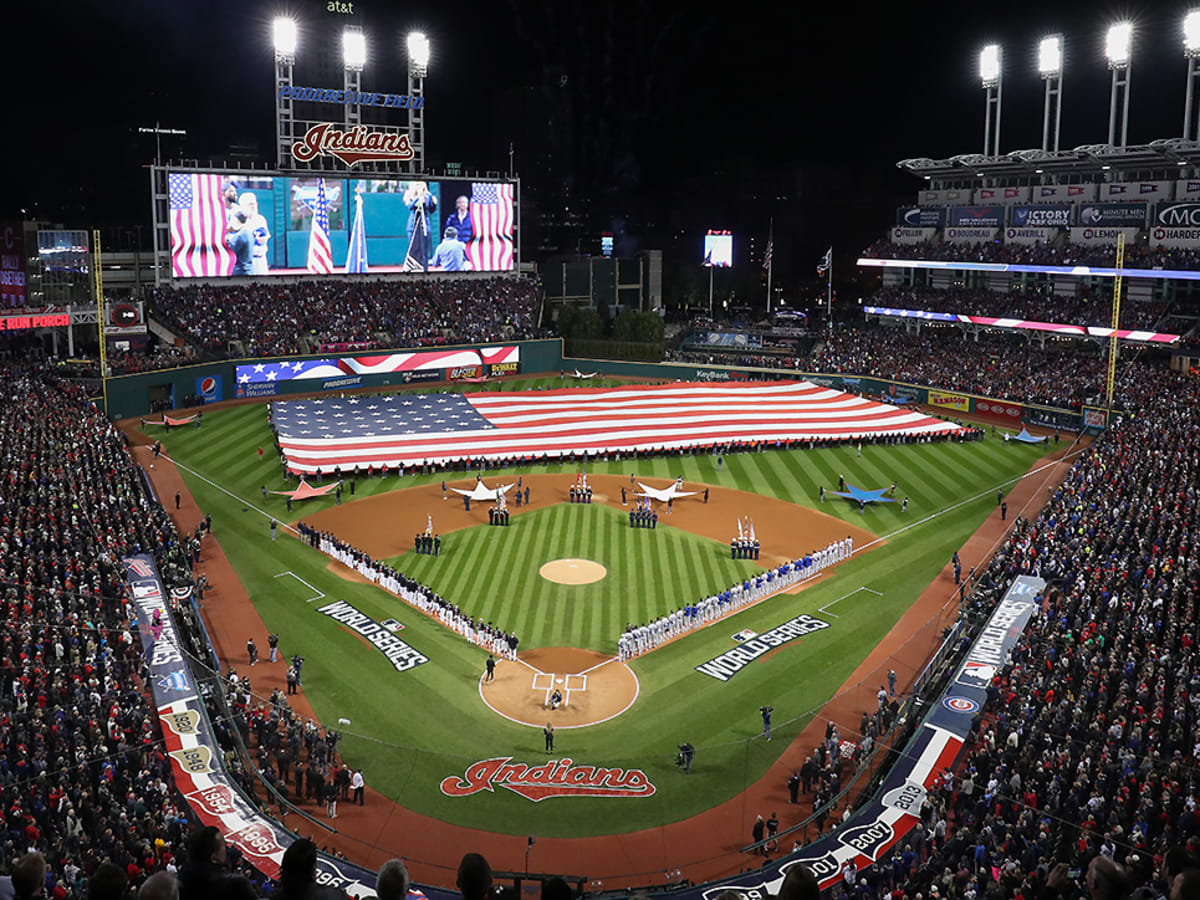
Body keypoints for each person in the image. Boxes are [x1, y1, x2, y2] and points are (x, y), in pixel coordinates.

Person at [239, 192, 271, 275]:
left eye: (254, 203)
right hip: (247, 262)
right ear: (243, 206)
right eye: (250, 204)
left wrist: (261, 240)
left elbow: (265, 236)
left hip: (261, 261)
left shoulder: (260, 219)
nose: (253, 206)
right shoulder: (238, 221)